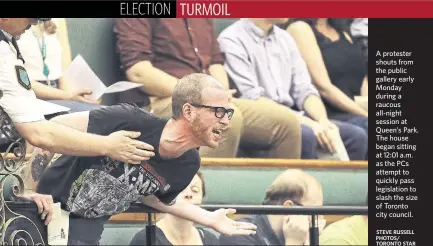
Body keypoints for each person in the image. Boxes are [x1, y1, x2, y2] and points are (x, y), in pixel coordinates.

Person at [20, 73, 257, 245]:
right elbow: (52, 128)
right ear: (188, 111)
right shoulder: (131, 120)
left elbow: (153, 196)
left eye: (228, 113)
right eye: (218, 112)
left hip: (86, 230)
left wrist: (209, 218)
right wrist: (30, 190)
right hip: (43, 211)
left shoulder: (188, 164)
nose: (226, 121)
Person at [0, 18, 156, 203]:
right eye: (31, 20)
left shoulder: (6, 33)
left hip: (47, 101)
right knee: (100, 118)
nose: (32, 25)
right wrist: (108, 145)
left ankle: (137, 191)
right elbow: (37, 131)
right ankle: (35, 190)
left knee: (103, 114)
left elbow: (64, 71)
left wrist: (71, 95)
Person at [114, 18, 302, 159]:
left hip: (207, 98)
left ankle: (280, 204)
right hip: (163, 99)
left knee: (286, 123)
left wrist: (219, 93)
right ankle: (202, 205)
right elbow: (138, 72)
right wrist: (201, 95)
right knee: (225, 117)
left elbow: (215, 62)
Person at [218, 18, 367, 160]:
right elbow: (252, 97)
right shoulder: (231, 38)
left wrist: (322, 120)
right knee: (305, 134)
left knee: (355, 137)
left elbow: (305, 89)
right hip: (263, 116)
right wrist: (308, 123)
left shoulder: (285, 38)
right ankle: (304, 186)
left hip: (297, 114)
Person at [285, 18, 368, 134]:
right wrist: (364, 114)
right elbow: (323, 87)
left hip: (354, 110)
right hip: (324, 113)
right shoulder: (300, 29)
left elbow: (361, 77)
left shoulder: (342, 30)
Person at [219, 169, 325, 245]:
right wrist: (294, 242)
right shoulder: (239, 234)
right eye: (315, 212)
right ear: (289, 208)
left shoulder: (304, 236)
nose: (321, 220)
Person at [17, 18, 101, 112]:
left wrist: (78, 97)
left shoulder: (58, 20)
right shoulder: (10, 23)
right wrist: (68, 97)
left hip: (58, 91)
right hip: (29, 95)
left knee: (99, 112)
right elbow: (18, 80)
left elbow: (65, 70)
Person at [129, 171, 219, 245]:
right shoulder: (144, 239)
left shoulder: (210, 239)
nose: (189, 194)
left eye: (195, 190)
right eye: (181, 189)